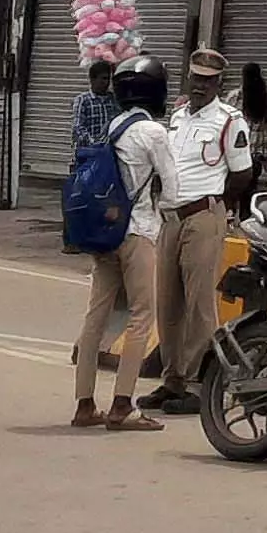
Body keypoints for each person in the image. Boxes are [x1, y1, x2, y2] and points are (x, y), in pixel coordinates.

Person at [147, 51, 256, 416]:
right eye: (195, 78)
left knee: (199, 303)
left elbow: (242, 174)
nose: (199, 85)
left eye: (207, 80)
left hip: (203, 216)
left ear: (218, 84)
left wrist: (216, 207)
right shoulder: (177, 117)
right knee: (168, 301)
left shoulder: (229, 121)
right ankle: (172, 379)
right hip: (172, 217)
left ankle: (197, 383)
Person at [86, 61, 173, 432]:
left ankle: (84, 404)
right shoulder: (154, 132)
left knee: (96, 315)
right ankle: (123, 405)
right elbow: (173, 190)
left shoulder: (114, 127)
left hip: (105, 230)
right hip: (137, 231)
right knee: (141, 317)